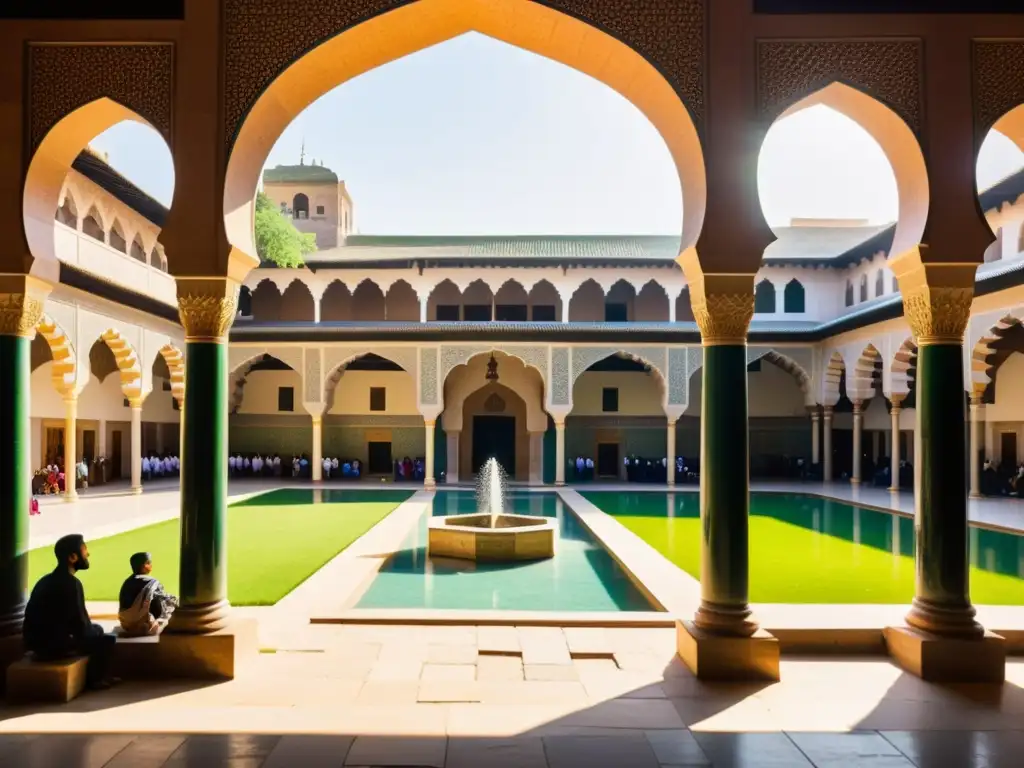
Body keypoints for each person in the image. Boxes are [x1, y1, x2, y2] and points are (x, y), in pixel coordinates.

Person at [23, 534, 118, 690]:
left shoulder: (44, 580)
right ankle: (96, 680)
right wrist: (96, 631)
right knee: (106, 638)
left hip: (36, 644)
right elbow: (82, 627)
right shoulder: (72, 584)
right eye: (84, 550)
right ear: (73, 557)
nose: (87, 554)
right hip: (55, 647)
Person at [118, 552, 178, 636]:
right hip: (142, 624)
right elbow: (163, 601)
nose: (151, 565)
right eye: (149, 563)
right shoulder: (151, 582)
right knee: (168, 605)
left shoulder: (127, 582)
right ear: (144, 566)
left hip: (126, 624)